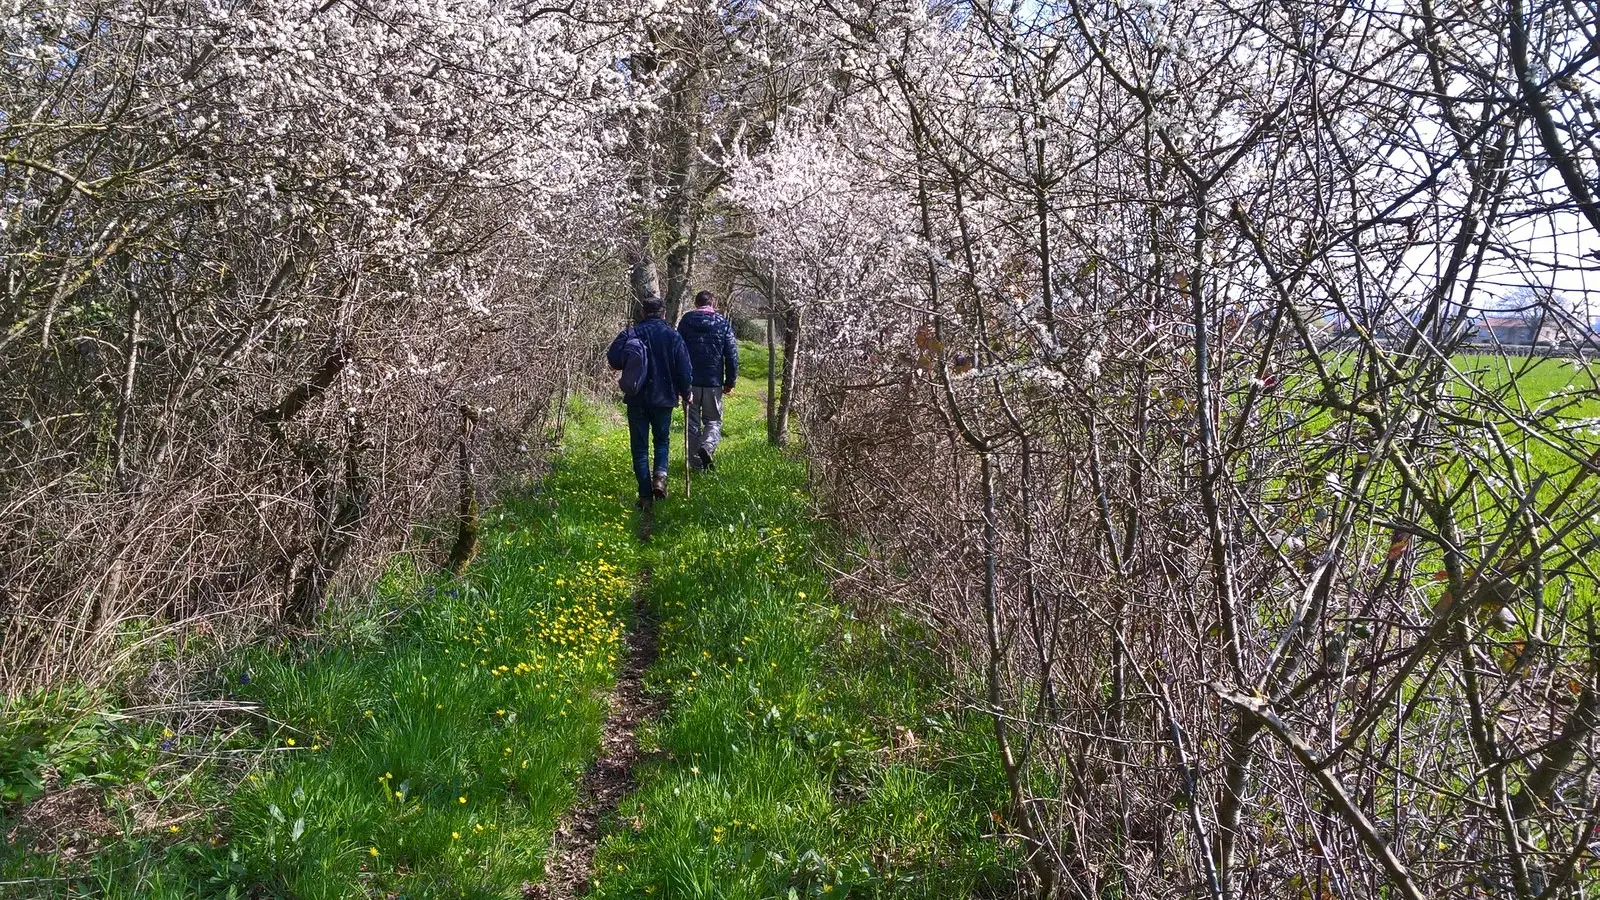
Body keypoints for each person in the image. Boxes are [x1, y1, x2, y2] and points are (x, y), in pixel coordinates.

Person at [607, 295, 692, 510]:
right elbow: (684, 369)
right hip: (664, 399)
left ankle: (645, 496)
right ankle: (660, 479)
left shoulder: (631, 333)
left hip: (637, 398)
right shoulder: (673, 336)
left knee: (639, 447)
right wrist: (687, 392)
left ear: (643, 313)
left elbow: (613, 360)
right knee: (662, 441)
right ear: (664, 314)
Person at [676, 290, 739, 470]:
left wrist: (678, 379)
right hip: (713, 382)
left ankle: (696, 464)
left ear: (696, 304)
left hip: (690, 382)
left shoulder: (687, 321)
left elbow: (678, 351)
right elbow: (731, 355)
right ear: (713, 303)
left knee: (692, 423)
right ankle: (708, 446)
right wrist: (730, 382)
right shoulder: (722, 323)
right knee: (713, 420)